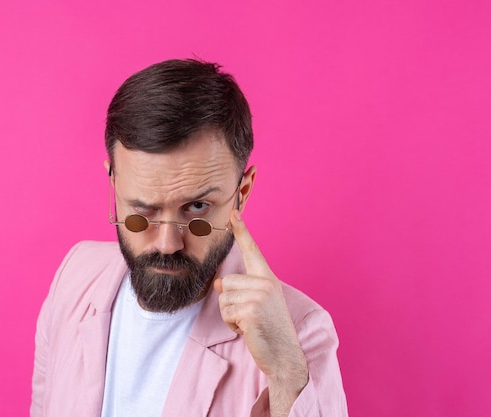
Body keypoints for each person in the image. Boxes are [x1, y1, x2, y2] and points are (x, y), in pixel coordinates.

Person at [31, 59, 348, 417]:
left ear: (242, 192)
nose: (168, 243)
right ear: (113, 184)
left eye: (197, 207)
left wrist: (287, 374)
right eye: (142, 209)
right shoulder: (75, 275)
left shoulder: (300, 332)